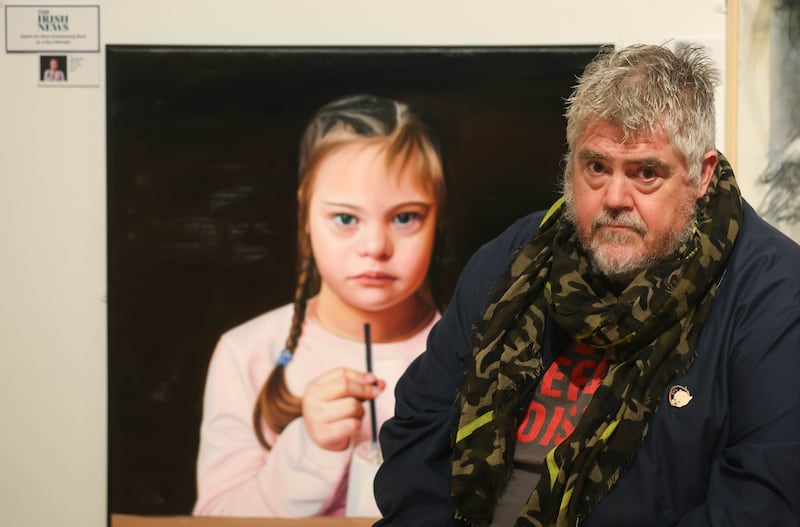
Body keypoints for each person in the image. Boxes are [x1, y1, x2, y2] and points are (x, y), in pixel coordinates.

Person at [374, 44, 800, 527]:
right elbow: (418, 431)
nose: (615, 198)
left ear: (699, 176)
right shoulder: (516, 257)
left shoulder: (774, 294)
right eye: (596, 167)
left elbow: (762, 503)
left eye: (645, 173)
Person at [193, 94, 447, 517]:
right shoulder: (246, 353)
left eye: (405, 217)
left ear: (437, 218)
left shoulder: (472, 355)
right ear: (305, 215)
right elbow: (214, 519)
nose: (375, 247)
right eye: (346, 219)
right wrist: (309, 449)